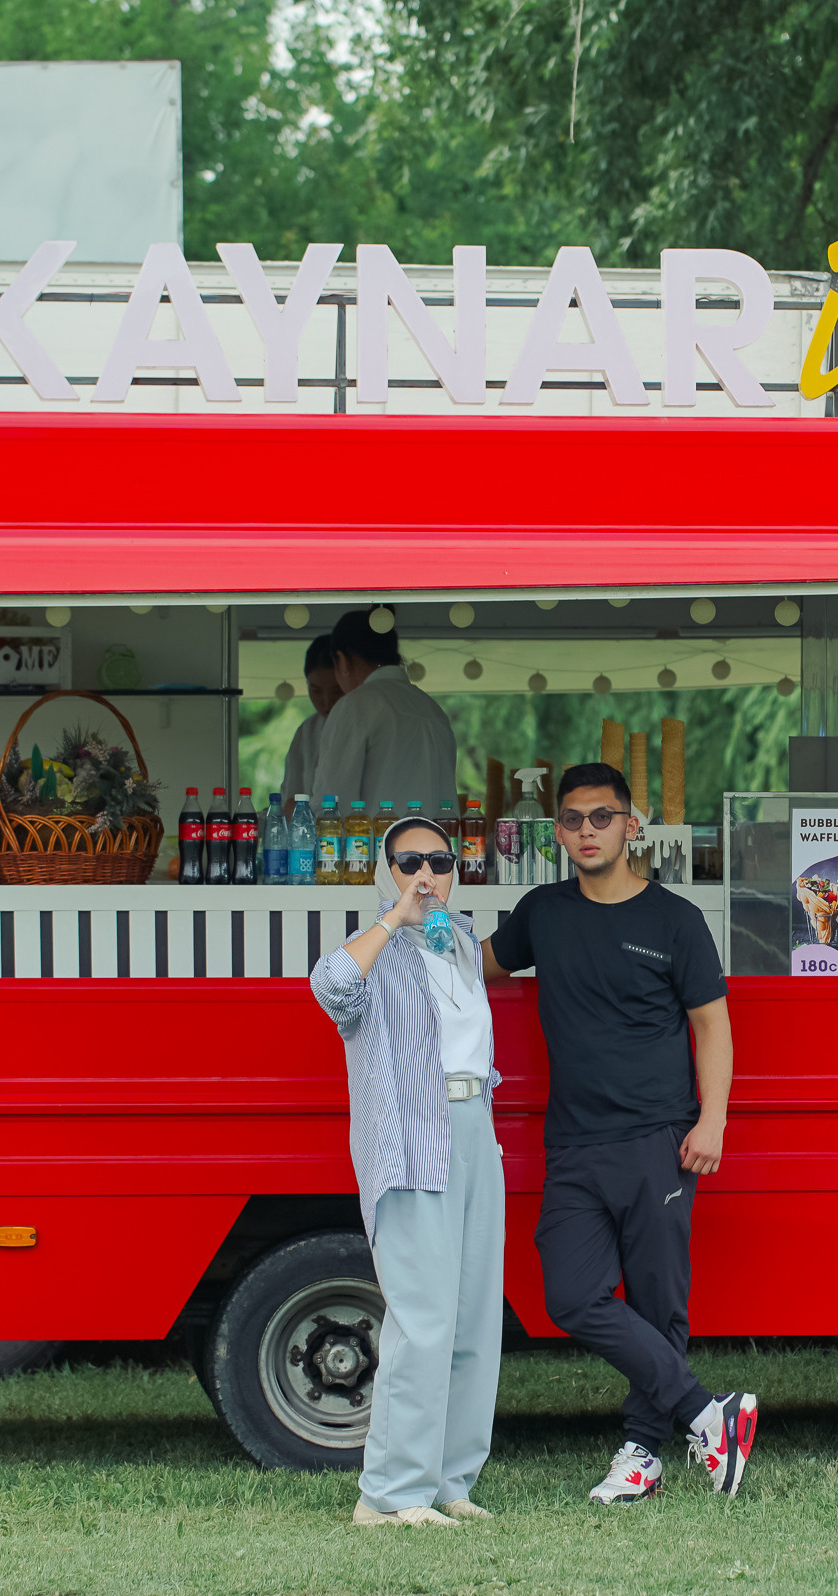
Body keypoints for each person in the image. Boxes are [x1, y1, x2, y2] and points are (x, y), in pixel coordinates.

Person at [481, 762, 757, 1502]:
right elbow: (477, 968)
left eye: (601, 817)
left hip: (658, 1138)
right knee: (570, 1296)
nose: (587, 831)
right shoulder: (542, 912)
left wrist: (713, 1118)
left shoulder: (674, 920)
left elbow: (713, 1026)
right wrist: (413, 924)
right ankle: (709, 1413)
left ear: (631, 825)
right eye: (573, 819)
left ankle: (642, 1455)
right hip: (574, 1143)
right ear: (558, 831)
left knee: (657, 1304)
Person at [310, 813, 504, 1529]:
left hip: (474, 1128)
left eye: (440, 861)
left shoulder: (459, 941)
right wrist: (395, 915)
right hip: (412, 1139)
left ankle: (450, 1478)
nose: (427, 874)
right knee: (422, 1319)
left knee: (474, 1318)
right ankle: (391, 1494)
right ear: (384, 871)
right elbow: (329, 988)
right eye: (409, 861)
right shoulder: (376, 949)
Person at [311, 608, 458, 818]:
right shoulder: (433, 709)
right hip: (438, 838)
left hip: (382, 839)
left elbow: (331, 805)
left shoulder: (355, 705)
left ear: (341, 661)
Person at [279, 634, 342, 805]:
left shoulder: (366, 725)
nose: (326, 702)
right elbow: (291, 800)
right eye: (316, 690)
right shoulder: (307, 731)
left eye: (337, 691)